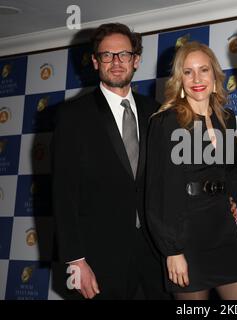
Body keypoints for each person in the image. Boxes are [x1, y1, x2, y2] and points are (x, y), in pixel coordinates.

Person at [52, 23, 168, 300]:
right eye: (107, 55)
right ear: (95, 62)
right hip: (99, 259)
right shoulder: (72, 116)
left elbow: (169, 178)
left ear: (136, 60)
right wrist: (75, 261)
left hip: (156, 255)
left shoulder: (157, 112)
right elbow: (63, 193)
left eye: (124, 54)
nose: (116, 62)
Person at [145, 41, 237, 300]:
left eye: (203, 70)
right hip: (185, 234)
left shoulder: (226, 118)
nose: (196, 78)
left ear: (214, 75)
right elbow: (158, 193)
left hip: (223, 231)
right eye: (188, 71)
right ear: (179, 79)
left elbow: (233, 170)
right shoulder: (166, 122)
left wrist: (232, 198)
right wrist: (172, 250)